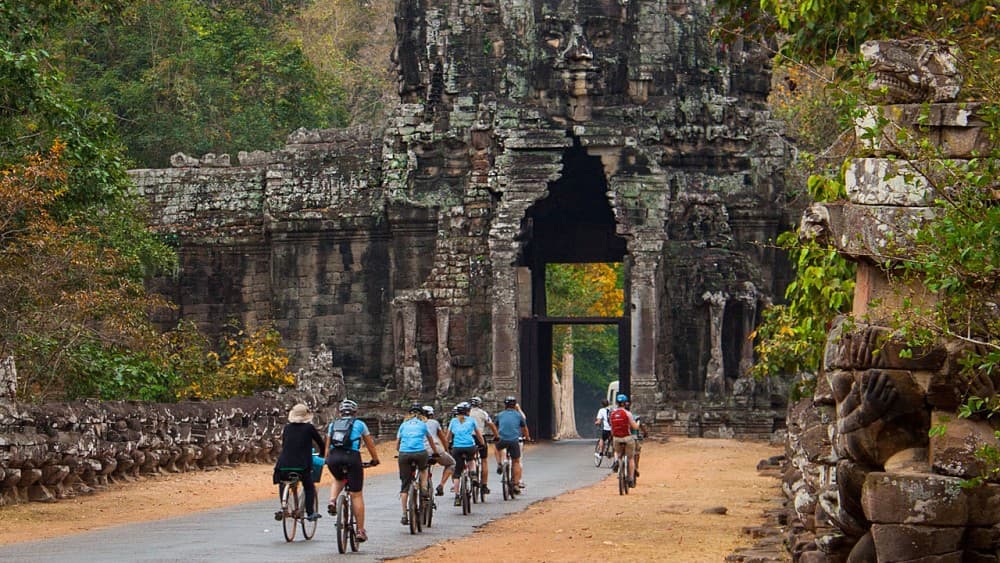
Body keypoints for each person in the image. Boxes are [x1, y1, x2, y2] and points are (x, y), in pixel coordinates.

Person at [325, 399, 381, 542]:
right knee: (356, 495)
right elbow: (370, 445)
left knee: (338, 479)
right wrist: (375, 459)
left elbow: (327, 448)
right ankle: (360, 531)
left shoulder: (333, 425)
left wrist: (328, 460)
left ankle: (332, 501)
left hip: (334, 457)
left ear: (340, 412)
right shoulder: (360, 424)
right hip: (352, 458)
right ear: (355, 412)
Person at [273, 403, 326, 522]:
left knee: (283, 482)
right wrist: (323, 454)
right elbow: (320, 443)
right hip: (302, 465)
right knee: (309, 487)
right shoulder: (309, 428)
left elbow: (285, 444)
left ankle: (284, 507)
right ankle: (310, 512)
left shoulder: (287, 428)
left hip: (284, 464)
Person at [396, 403, 441, 526]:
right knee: (423, 469)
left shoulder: (403, 425)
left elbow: (397, 444)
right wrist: (436, 453)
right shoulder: (423, 424)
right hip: (420, 453)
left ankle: (404, 514)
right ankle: (425, 488)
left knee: (404, 486)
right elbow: (430, 440)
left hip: (404, 454)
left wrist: (400, 451)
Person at [445, 401, 484, 506]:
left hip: (457, 448)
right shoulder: (471, 420)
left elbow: (448, 436)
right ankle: (474, 474)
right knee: (471, 460)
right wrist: (482, 444)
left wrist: (447, 445)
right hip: (469, 446)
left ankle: (457, 496)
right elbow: (479, 434)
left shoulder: (453, 421)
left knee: (457, 473)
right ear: (468, 412)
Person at [493, 396, 531, 493]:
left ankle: (499, 464)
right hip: (514, 441)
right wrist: (527, 437)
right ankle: (516, 484)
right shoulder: (518, 416)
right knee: (516, 462)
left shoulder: (500, 415)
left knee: (496, 448)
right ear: (515, 405)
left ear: (505, 405)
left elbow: (495, 426)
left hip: (502, 440)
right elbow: (524, 429)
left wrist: (496, 435)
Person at [422, 405, 456, 496]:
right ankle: (441, 485)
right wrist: (447, 451)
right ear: (431, 415)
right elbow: (443, 439)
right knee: (451, 463)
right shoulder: (435, 423)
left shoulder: (416, 423)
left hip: (418, 450)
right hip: (434, 449)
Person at [609, 393, 641, 487]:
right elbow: (634, 426)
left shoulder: (612, 414)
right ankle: (630, 478)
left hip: (616, 438)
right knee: (631, 458)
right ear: (625, 403)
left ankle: (616, 461)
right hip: (627, 438)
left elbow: (612, 429)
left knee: (617, 452)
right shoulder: (627, 413)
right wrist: (638, 423)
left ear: (617, 403)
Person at [468, 396, 499, 494]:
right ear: (480, 404)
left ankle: (470, 474)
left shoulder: (466, 413)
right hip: (480, 437)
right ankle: (484, 485)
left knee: (470, 458)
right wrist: (496, 436)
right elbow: (491, 424)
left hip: (468, 438)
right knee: (484, 460)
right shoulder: (483, 413)